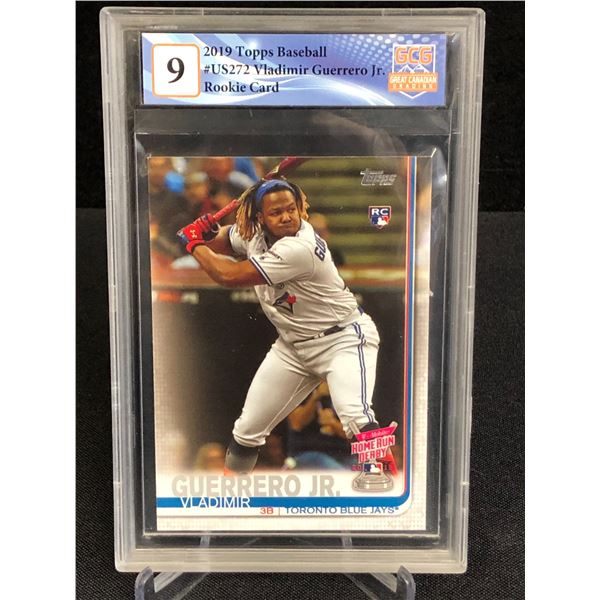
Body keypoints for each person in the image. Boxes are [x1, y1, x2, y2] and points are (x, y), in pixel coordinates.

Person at [177, 178, 392, 474]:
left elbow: (228, 275)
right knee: (246, 431)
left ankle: (387, 484)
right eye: (276, 213)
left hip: (342, 339)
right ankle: (229, 492)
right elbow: (228, 239)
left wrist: (194, 244)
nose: (287, 217)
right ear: (260, 218)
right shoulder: (254, 234)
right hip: (293, 347)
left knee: (357, 416)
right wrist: (209, 234)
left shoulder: (300, 246)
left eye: (291, 209)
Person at [287, 381, 353, 469]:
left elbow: (354, 435)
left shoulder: (346, 391)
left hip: (341, 453)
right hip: (309, 452)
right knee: (340, 473)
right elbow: (296, 424)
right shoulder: (300, 386)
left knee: (365, 471)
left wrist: (332, 423)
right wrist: (317, 396)